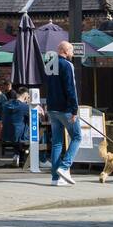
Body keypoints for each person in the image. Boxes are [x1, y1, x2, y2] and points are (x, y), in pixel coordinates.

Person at [44, 41, 80, 185]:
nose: (72, 54)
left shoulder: (50, 64)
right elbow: (71, 88)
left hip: (52, 107)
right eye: (71, 51)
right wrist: (74, 109)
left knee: (57, 143)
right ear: (65, 51)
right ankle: (65, 167)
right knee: (77, 136)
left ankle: (55, 178)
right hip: (65, 108)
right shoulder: (67, 65)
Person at [3, 89, 36, 167]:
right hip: (19, 136)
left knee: (21, 126)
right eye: (28, 96)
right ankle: (42, 160)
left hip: (6, 134)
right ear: (25, 96)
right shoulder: (25, 107)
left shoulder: (6, 104)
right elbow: (37, 121)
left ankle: (17, 155)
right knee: (37, 133)